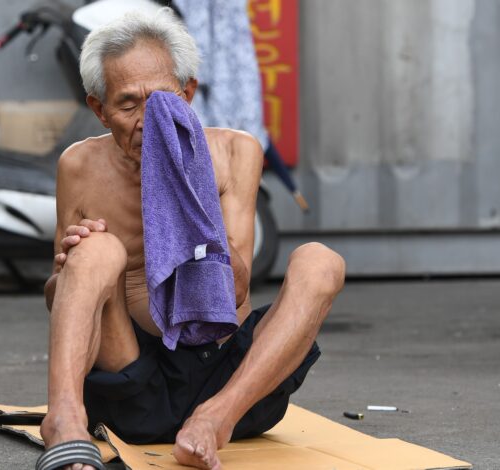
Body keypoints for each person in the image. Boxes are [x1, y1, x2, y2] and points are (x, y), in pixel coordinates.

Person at [36, 8, 345, 470]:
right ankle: (64, 418)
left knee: (321, 262)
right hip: (134, 383)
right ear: (99, 110)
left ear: (189, 94)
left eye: (163, 102)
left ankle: (212, 421)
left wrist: (188, 196)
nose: (148, 121)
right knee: (97, 248)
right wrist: (70, 268)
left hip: (230, 383)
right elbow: (54, 296)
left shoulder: (236, 152)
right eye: (128, 104)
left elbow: (234, 289)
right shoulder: (79, 167)